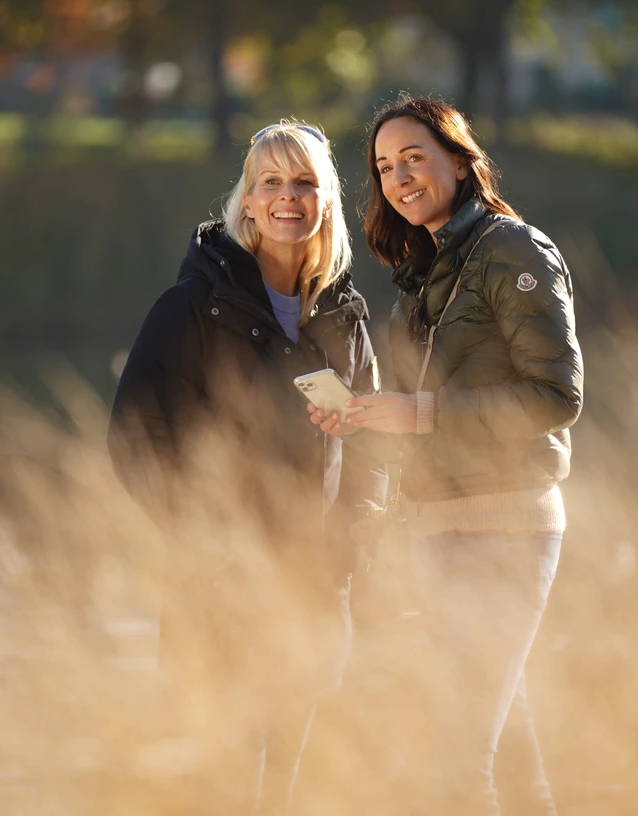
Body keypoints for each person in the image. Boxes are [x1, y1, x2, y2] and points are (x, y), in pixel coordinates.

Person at [310, 96, 583, 814]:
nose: (399, 178)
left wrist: (419, 413)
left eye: (414, 158)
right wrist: (361, 421)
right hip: (435, 533)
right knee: (512, 762)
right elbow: (422, 423)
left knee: (458, 765)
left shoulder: (513, 250)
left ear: (460, 163)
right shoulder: (425, 272)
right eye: (384, 167)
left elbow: (556, 397)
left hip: (505, 531)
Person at [107, 120, 386, 815]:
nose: (288, 196)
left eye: (305, 183)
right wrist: (205, 538)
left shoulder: (344, 317)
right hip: (216, 593)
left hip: (315, 592)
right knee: (216, 787)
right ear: (248, 200)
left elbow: (373, 448)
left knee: (286, 789)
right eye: (272, 182)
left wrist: (347, 549)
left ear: (326, 201)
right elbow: (133, 437)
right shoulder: (191, 308)